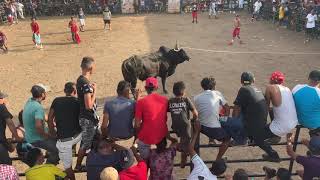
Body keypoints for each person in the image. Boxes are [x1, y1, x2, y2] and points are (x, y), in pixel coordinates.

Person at [233, 72, 280, 162]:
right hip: (262, 121)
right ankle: (272, 154)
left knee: (239, 114)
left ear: (241, 81)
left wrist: (234, 122)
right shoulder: (258, 89)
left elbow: (237, 107)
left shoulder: (244, 89)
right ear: (253, 80)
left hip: (253, 124)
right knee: (258, 139)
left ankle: (242, 138)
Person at [48, 82, 81, 180]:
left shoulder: (56, 101)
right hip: (77, 136)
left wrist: (53, 133)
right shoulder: (77, 101)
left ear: (64, 91)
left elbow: (50, 118)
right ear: (75, 91)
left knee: (68, 168)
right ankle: (75, 151)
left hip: (63, 140)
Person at [194, 77, 231, 160]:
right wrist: (226, 120)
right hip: (213, 128)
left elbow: (197, 112)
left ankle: (211, 140)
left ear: (202, 86)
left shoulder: (196, 97)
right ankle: (218, 159)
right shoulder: (217, 93)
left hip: (201, 127)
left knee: (212, 116)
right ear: (213, 86)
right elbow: (227, 108)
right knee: (227, 139)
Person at [23, 84, 60, 165]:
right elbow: (38, 126)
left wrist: (49, 122)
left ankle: (49, 152)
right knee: (59, 149)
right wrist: (46, 135)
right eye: (45, 92)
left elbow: (42, 116)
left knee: (55, 137)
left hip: (30, 136)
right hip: (37, 138)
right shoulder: (38, 107)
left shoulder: (29, 101)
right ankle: (47, 169)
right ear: (42, 94)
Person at [134, 77, 168, 160]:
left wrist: (137, 136)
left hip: (146, 135)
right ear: (156, 87)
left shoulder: (141, 102)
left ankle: (146, 163)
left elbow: (137, 124)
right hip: (161, 134)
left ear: (145, 88)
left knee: (143, 151)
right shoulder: (165, 100)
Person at [75, 57, 99, 172]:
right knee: (85, 144)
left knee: (96, 139)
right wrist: (95, 92)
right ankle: (78, 165)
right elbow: (89, 105)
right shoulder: (85, 83)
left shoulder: (80, 80)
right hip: (88, 118)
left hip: (86, 118)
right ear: (91, 68)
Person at [168, 81, 199, 167]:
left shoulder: (170, 101)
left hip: (175, 126)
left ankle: (181, 154)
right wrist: (194, 120)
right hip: (185, 126)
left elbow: (168, 110)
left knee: (183, 140)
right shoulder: (186, 99)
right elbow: (195, 113)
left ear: (174, 92)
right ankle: (182, 161)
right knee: (186, 144)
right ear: (184, 91)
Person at [265, 71, 298, 142]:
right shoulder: (287, 89)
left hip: (283, 126)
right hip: (293, 123)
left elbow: (265, 107)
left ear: (272, 79)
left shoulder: (270, 88)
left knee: (257, 135)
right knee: (271, 109)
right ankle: (276, 135)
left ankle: (272, 150)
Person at [0, 91, 22, 165]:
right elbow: (10, 123)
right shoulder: (1, 107)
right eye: (2, 98)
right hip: (0, 143)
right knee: (6, 165)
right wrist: (16, 137)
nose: (4, 100)